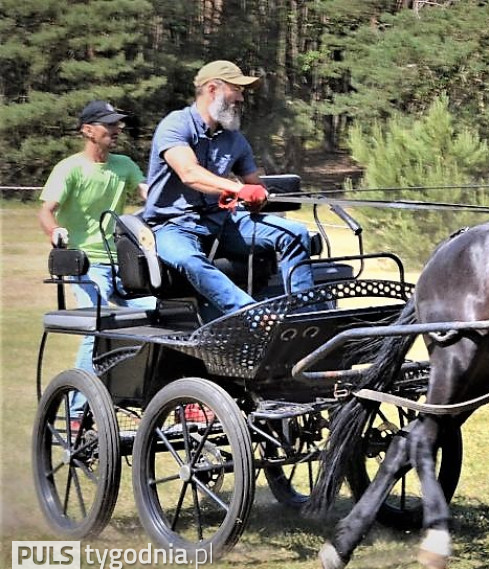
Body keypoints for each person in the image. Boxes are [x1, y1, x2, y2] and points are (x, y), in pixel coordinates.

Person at [143, 60, 317, 320]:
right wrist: (236, 189)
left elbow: (254, 183)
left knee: (296, 234)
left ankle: (305, 317)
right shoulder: (176, 125)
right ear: (213, 89)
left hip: (223, 222)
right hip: (172, 226)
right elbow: (189, 173)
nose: (242, 99)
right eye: (237, 90)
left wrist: (258, 196)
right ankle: (255, 315)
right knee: (190, 260)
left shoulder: (235, 139)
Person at [38, 100, 156, 419]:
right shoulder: (70, 168)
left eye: (118, 124)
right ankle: (77, 413)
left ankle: (160, 397)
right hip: (87, 265)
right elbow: (46, 211)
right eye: (109, 125)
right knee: (97, 328)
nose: (117, 130)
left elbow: (150, 196)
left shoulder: (124, 165)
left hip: (123, 263)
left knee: (161, 316)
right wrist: (56, 233)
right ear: (88, 131)